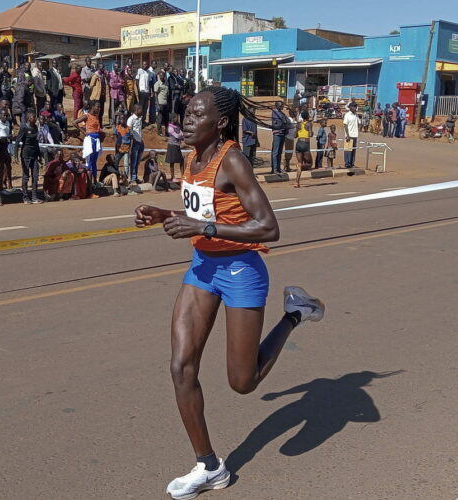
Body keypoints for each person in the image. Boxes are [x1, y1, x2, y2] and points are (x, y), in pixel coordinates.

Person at [133, 86, 325, 500]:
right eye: (185, 112)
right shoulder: (192, 157)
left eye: (195, 114)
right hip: (202, 268)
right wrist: (165, 215)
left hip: (241, 271)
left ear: (219, 123)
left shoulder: (232, 160)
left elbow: (269, 227)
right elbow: (206, 214)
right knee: (181, 367)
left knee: (243, 382)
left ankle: (295, 313)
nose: (186, 120)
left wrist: (203, 229)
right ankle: (209, 466)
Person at [15, 109, 42, 204]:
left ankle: (34, 196)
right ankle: (25, 197)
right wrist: (15, 155)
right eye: (34, 117)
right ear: (29, 118)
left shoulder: (35, 127)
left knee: (35, 176)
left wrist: (39, 155)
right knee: (26, 176)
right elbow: (18, 141)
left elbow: (36, 142)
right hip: (26, 154)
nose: (35, 118)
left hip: (34, 154)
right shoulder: (24, 128)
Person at [74, 100, 103, 181]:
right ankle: (88, 181)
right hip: (90, 140)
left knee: (94, 161)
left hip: (97, 140)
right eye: (98, 107)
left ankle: (95, 181)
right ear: (93, 106)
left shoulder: (96, 116)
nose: (99, 109)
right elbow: (75, 122)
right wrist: (84, 132)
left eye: (100, 107)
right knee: (89, 161)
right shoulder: (87, 116)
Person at [0, 106, 14, 193]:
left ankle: (9, 182)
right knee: (1, 166)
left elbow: (9, 134)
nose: (5, 117)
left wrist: (10, 137)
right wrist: (5, 138)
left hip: (7, 145)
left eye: (6, 115)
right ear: (0, 115)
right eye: (3, 115)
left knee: (8, 165)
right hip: (0, 145)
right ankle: (1, 185)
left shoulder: (8, 123)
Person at [293, 110, 313, 188]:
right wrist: (311, 132)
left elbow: (295, 136)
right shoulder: (309, 124)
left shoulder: (299, 124)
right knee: (310, 164)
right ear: (307, 116)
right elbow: (310, 134)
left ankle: (297, 182)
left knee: (300, 163)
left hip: (298, 143)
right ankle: (301, 166)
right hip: (305, 143)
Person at [127, 103, 145, 184]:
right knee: (133, 161)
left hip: (140, 142)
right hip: (135, 142)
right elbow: (129, 131)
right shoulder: (131, 119)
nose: (142, 111)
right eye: (140, 109)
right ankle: (133, 179)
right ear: (136, 110)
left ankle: (136, 177)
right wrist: (134, 139)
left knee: (137, 161)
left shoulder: (140, 118)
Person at [270, 100, 287, 174]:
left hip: (282, 133)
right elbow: (283, 120)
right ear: (276, 106)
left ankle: (278, 168)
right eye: (280, 105)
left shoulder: (282, 113)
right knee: (275, 152)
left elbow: (285, 121)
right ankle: (275, 169)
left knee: (280, 152)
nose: (282, 106)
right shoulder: (275, 112)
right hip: (277, 134)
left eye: (282, 105)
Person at [166, 114, 184, 181]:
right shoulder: (170, 127)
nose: (178, 118)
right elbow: (178, 136)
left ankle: (183, 175)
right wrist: (181, 135)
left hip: (177, 145)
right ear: (173, 118)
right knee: (172, 162)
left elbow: (181, 134)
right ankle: (172, 177)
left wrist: (181, 135)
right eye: (176, 117)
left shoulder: (177, 126)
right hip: (172, 145)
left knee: (181, 161)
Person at [114, 112, 132, 177]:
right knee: (116, 161)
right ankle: (116, 174)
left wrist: (130, 149)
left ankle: (126, 176)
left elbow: (131, 139)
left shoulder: (128, 128)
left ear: (126, 120)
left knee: (126, 163)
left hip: (127, 148)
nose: (122, 120)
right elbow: (116, 138)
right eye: (121, 119)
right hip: (119, 148)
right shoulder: (117, 128)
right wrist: (115, 148)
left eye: (123, 119)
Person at [343, 102, 360, 168]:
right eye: (354, 107)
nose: (355, 108)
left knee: (353, 150)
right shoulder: (347, 115)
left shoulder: (356, 115)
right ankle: (347, 163)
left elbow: (359, 123)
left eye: (356, 107)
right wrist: (347, 135)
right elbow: (345, 125)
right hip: (349, 136)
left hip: (355, 135)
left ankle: (352, 163)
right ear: (350, 107)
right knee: (348, 150)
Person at [154, 71, 170, 136]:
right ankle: (159, 132)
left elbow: (167, 93)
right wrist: (157, 104)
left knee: (166, 119)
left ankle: (166, 132)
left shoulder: (166, 83)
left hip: (166, 103)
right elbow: (155, 95)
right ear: (159, 76)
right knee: (160, 118)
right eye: (160, 75)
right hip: (160, 103)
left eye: (163, 75)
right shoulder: (157, 84)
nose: (162, 76)